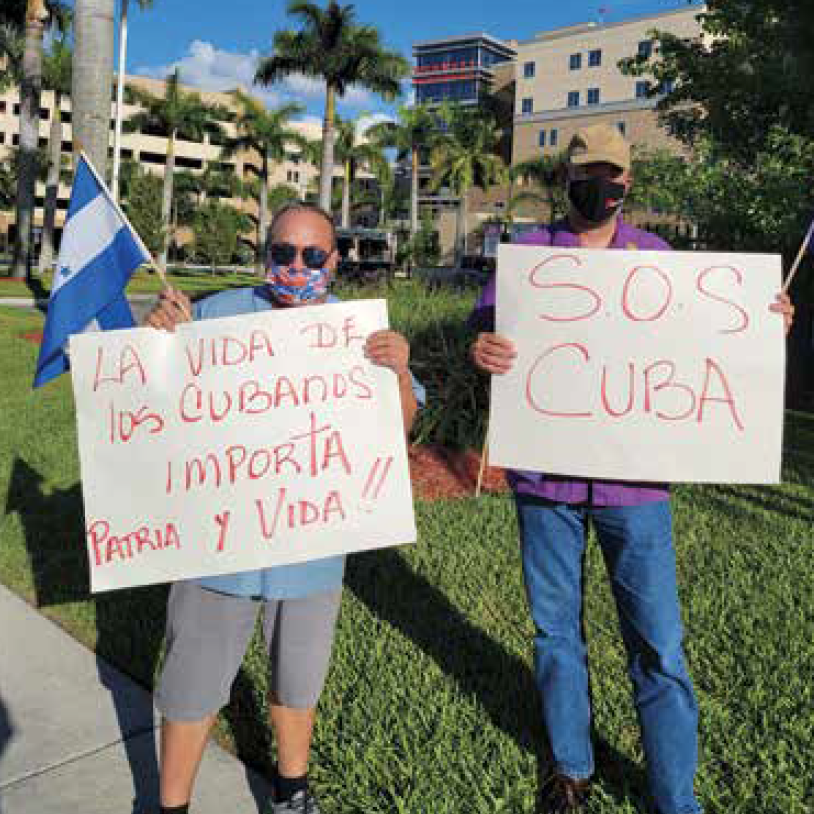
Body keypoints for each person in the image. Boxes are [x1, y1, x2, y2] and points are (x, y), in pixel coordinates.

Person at [469, 124, 794, 814]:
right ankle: (570, 771)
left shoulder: (658, 258)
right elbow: (487, 336)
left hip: (635, 485)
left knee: (658, 642)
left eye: (612, 174)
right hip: (545, 480)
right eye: (588, 173)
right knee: (555, 630)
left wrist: (764, 324)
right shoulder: (529, 257)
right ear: (566, 179)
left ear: (629, 182)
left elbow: (712, 339)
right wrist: (485, 349)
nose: (601, 185)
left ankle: (674, 796)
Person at [145, 202, 424, 814]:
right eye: (283, 253)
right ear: (264, 254)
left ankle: (292, 792)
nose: (296, 266)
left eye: (312, 255)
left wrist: (400, 373)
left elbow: (399, 428)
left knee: (297, 679)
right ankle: (169, 807)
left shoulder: (360, 336)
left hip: (310, 548)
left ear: (335, 260)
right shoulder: (215, 316)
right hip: (218, 546)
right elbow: (154, 402)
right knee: (192, 684)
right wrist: (158, 334)